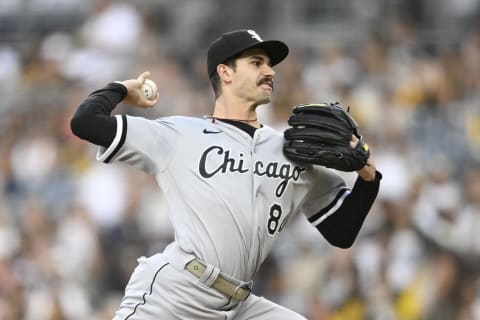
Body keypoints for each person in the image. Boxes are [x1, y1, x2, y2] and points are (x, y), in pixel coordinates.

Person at [70, 29, 381, 320]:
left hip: (239, 304)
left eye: (269, 64)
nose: (270, 71)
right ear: (225, 72)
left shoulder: (293, 151)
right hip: (175, 295)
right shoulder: (179, 134)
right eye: (256, 62)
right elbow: (85, 122)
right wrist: (122, 89)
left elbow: (342, 232)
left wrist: (368, 177)